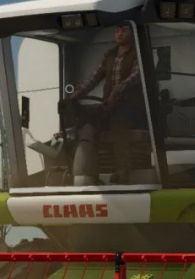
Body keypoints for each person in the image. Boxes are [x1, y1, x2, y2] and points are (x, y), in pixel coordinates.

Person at [63, 21, 148, 182]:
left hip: (132, 106)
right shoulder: (109, 56)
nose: (119, 33)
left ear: (131, 33)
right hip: (110, 105)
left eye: (123, 30)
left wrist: (116, 92)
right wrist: (77, 94)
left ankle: (123, 168)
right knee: (86, 123)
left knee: (118, 124)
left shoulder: (138, 54)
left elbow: (135, 76)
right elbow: (94, 78)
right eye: (117, 30)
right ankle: (85, 169)